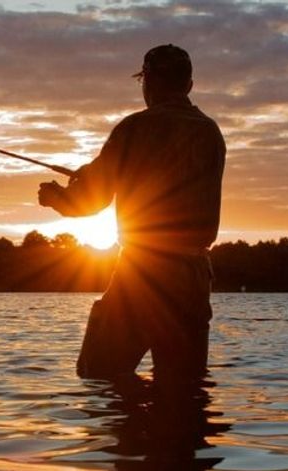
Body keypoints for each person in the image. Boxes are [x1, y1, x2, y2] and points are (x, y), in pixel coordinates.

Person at [38, 44, 226, 383]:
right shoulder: (210, 132)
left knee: (98, 374)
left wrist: (56, 197)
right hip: (196, 276)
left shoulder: (134, 128)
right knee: (184, 388)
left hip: (143, 273)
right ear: (189, 85)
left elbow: (89, 201)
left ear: (148, 82)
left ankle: (132, 432)